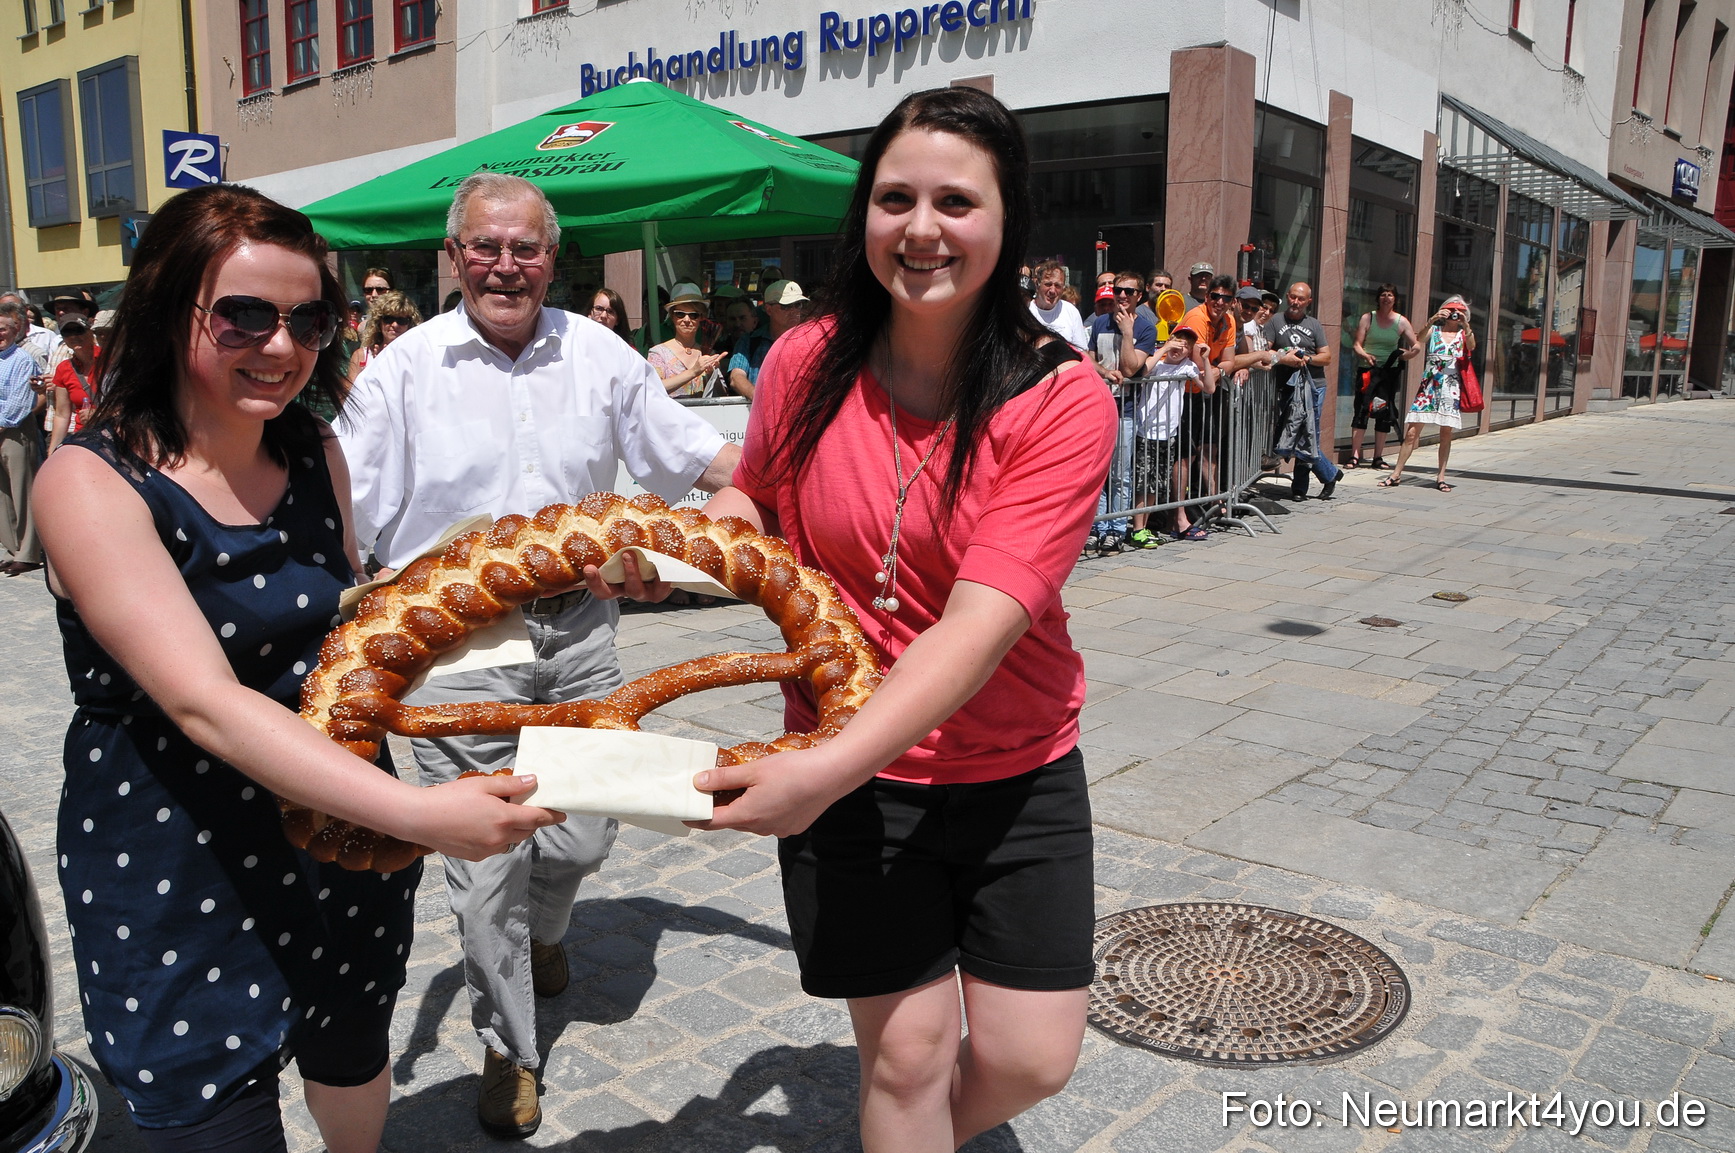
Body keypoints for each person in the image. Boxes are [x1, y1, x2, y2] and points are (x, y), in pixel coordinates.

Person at [29, 182, 555, 1153]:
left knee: (349, 1043)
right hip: (174, 851)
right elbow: (202, 701)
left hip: (336, 826)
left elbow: (339, 630)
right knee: (207, 1114)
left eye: (310, 317)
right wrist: (421, 814)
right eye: (244, 315)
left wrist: (469, 600)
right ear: (164, 307)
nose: (281, 344)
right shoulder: (89, 480)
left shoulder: (315, 449)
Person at [700, 85, 1113, 1153]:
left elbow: (979, 627)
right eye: (895, 198)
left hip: (1013, 763)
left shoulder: (1060, 400)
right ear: (863, 215)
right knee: (909, 1056)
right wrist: (694, 545)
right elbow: (755, 497)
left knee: (1031, 1056)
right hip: (850, 763)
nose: (921, 229)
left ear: (1007, 221)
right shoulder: (802, 362)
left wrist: (817, 773)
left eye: (955, 202)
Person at [340, 172, 741, 1138]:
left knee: (584, 830)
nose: (505, 265)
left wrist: (792, 485)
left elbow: (698, 459)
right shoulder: (403, 369)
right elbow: (343, 511)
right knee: (484, 863)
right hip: (453, 642)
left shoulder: (598, 354)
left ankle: (549, 929)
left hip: (581, 629)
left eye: (525, 248)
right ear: (454, 255)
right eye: (485, 246)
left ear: (552, 259)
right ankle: (510, 1044)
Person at [1089, 272, 1157, 550]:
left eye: (1129, 291)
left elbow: (1130, 368)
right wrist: (1104, 371)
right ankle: (1098, 525)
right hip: (1097, 407)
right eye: (1118, 290)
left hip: (1125, 409)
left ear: (1139, 296)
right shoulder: (1099, 322)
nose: (1122, 295)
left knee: (1120, 473)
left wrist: (1128, 333)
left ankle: (1117, 527)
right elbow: (1090, 358)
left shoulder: (1146, 328)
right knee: (1098, 472)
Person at [1381, 295, 1473, 492]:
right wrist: (1432, 319)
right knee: (1412, 432)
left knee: (1446, 433)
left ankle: (1441, 476)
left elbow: (1472, 346)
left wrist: (1466, 325)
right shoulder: (1435, 330)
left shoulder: (1463, 334)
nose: (1455, 315)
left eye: (1460, 312)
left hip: (1450, 386)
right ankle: (1396, 474)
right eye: (1451, 311)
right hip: (1429, 385)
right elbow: (1419, 339)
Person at [1265, 281, 1344, 501]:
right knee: (1295, 433)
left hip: (1314, 386)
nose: (1296, 302)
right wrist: (1283, 356)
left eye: (1301, 299)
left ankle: (1299, 488)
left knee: (1306, 434)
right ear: (1287, 297)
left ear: (1308, 302)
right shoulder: (1276, 321)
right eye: (1293, 297)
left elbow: (1326, 357)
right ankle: (1330, 474)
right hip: (1287, 388)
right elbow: (1266, 350)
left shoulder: (1314, 325)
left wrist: (1307, 358)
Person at [1172, 275, 1237, 537]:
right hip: (1184, 393)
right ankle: (1178, 515)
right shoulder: (1197, 317)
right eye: (1215, 296)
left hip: (1205, 392)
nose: (1219, 302)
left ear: (1232, 302)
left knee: (1209, 447)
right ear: (1206, 296)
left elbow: (1229, 362)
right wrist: (1216, 371)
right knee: (1185, 455)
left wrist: (1218, 370)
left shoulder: (1229, 321)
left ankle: (1214, 502)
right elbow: (1200, 366)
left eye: (1226, 298)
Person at [1135, 326, 1203, 543]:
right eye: (1178, 341)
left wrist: (1205, 360)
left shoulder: (1187, 366)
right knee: (1143, 483)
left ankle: (1143, 528)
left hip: (1168, 434)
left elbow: (1208, 386)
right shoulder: (1158, 362)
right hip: (1146, 431)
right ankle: (1137, 529)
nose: (1180, 347)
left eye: (1186, 345)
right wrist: (1164, 348)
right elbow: (1143, 370)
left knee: (1157, 484)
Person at [1350, 284, 1420, 469]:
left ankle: (1377, 457)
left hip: (1389, 373)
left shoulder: (1401, 321)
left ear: (1395, 299)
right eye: (1383, 294)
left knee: (1383, 413)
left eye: (1390, 295)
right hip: (1367, 370)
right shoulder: (1368, 318)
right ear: (1378, 298)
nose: (1386, 298)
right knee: (1361, 410)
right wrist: (1365, 355)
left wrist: (1405, 355)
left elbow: (1417, 345)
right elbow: (1357, 344)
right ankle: (1354, 456)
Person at [0, 303, 43, 576]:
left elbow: (18, 401)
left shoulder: (22, 359)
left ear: (15, 331)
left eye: (2, 329)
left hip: (13, 431)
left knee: (22, 489)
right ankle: (12, 548)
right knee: (2, 493)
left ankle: (29, 552)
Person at [728, 279, 808, 400]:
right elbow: (736, 377)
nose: (794, 311)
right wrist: (760, 399)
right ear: (768, 309)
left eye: (798, 304)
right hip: (761, 414)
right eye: (786, 306)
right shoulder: (750, 341)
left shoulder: (809, 341)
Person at [646, 282, 725, 398]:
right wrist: (693, 372)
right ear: (672, 316)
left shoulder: (707, 354)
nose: (687, 320)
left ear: (701, 318)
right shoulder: (658, 353)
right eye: (680, 314)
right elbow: (651, 388)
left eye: (693, 315)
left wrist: (713, 374)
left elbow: (722, 397)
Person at [46, 313, 100, 455]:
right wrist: (53, 451)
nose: (73, 336)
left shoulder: (109, 360)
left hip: (115, 435)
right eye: (67, 332)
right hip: (84, 438)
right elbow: (62, 415)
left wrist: (99, 414)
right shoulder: (64, 368)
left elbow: (128, 405)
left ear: (90, 331)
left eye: (79, 330)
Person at [346, 289, 423, 379]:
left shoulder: (417, 357)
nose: (394, 325)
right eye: (388, 319)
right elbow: (350, 391)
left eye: (401, 320)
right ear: (379, 322)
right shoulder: (362, 356)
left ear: (410, 324)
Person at [1027, 260, 1087, 348]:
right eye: (1048, 284)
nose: (1052, 290)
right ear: (1037, 284)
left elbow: (1081, 350)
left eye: (1058, 286)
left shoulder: (1071, 311)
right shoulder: (1026, 311)